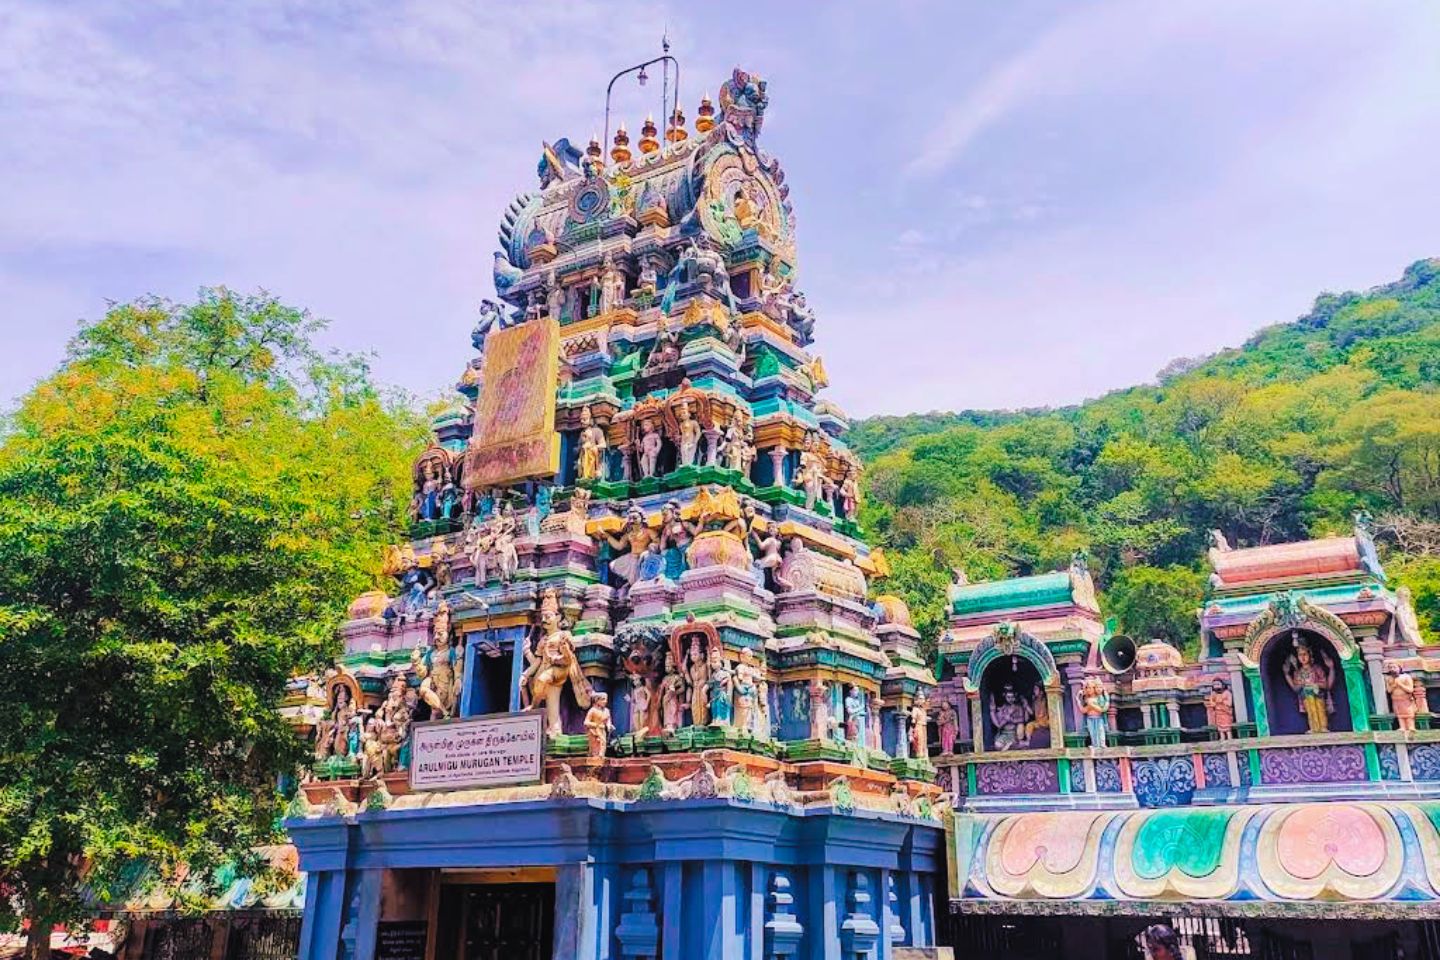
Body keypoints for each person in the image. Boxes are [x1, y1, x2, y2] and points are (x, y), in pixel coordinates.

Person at [1283, 636, 1334, 733]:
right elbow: (1295, 688)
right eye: (1299, 655)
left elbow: (1326, 685)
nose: (1302, 657)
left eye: (1304, 654)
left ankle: (1323, 727)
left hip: (1318, 694)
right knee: (1311, 711)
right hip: (1306, 696)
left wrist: (1315, 685)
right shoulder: (1298, 672)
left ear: (1310, 655)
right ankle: (1313, 728)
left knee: (1320, 710)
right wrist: (1287, 675)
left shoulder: (1316, 669)